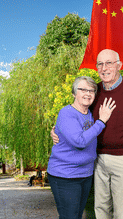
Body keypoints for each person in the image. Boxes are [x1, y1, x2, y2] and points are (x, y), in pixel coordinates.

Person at [51, 49, 123, 219]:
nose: (104, 68)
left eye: (109, 63)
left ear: (119, 66)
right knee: (100, 210)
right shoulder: (94, 91)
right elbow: (77, 117)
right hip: (98, 160)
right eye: (100, 64)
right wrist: (57, 130)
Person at [47, 75, 116, 219]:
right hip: (65, 175)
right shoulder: (66, 113)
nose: (87, 93)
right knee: (70, 216)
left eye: (91, 91)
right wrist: (102, 121)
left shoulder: (90, 114)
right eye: (83, 89)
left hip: (85, 174)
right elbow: (79, 141)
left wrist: (55, 130)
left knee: (77, 215)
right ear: (74, 93)